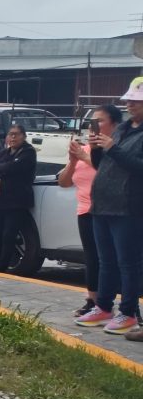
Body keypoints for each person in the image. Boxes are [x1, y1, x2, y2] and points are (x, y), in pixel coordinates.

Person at [75, 77, 143, 336]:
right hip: (102, 204)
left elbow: (137, 166)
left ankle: (128, 311)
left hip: (128, 207)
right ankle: (103, 306)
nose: (130, 105)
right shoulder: (123, 129)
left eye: (136, 101)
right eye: (129, 100)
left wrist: (113, 148)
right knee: (106, 261)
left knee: (128, 262)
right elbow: (103, 164)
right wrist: (95, 147)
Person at [61, 106, 123, 318]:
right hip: (85, 210)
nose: (93, 127)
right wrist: (73, 160)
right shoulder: (86, 149)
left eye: (100, 122)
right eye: (91, 123)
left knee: (114, 259)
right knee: (92, 258)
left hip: (110, 211)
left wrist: (84, 157)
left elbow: (111, 173)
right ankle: (93, 300)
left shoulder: (116, 149)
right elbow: (64, 181)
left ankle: (122, 305)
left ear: (114, 124)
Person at [0, 124, 37, 274]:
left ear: (24, 136)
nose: (13, 137)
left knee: (9, 234)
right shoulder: (3, 153)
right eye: (11, 134)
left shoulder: (28, 152)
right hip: (0, 199)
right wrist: (4, 168)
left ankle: (3, 266)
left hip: (17, 201)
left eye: (17, 134)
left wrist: (3, 168)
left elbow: (13, 168)